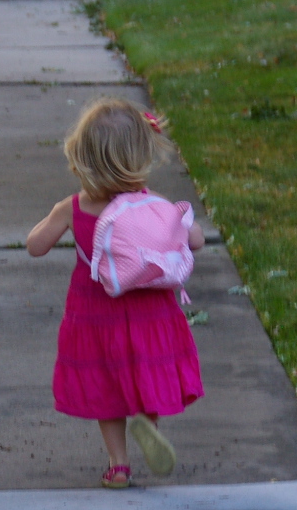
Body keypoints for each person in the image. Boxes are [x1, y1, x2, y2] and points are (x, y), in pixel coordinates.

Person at [25, 99, 206, 488]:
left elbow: (35, 246)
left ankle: (118, 464)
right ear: (141, 155)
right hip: (150, 315)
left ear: (82, 157)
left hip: (96, 314)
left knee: (104, 386)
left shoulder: (73, 207)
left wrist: (58, 216)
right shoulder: (154, 206)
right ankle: (147, 424)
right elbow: (196, 240)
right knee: (145, 371)